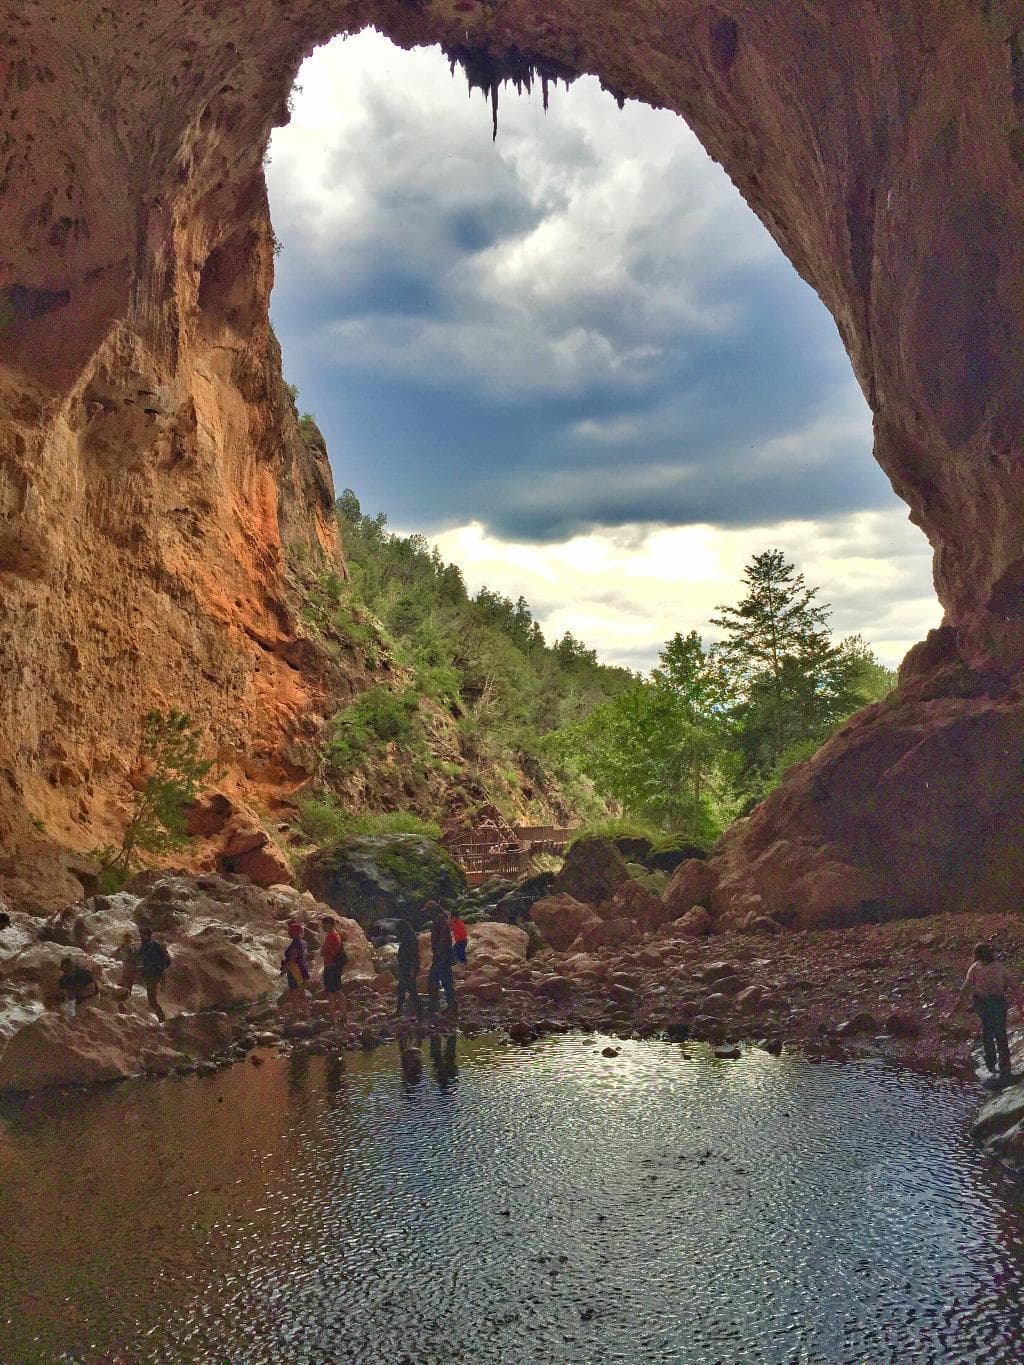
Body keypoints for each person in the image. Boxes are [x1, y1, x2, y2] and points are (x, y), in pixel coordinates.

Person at [950, 943, 1018, 1083]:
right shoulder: (999, 967)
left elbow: (966, 987)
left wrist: (959, 1003)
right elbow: (1013, 984)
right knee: (1000, 1033)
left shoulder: (975, 968)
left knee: (988, 1033)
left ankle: (991, 1065)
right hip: (998, 1003)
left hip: (984, 1004)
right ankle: (1004, 1067)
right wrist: (1020, 997)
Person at [427, 903, 457, 1017]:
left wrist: (439, 953)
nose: (427, 914)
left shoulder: (439, 920)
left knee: (434, 980)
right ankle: (451, 1006)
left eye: (428, 911)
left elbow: (443, 938)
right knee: (445, 981)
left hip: (442, 956)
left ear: (432, 910)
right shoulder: (441, 919)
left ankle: (434, 1006)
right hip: (444, 955)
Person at [138, 928, 171, 1022]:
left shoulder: (154, 946)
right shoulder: (145, 946)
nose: (141, 936)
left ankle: (162, 1018)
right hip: (150, 974)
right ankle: (161, 1018)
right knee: (151, 999)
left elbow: (166, 961)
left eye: (142, 935)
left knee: (152, 1000)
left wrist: (158, 967)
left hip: (154, 974)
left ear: (147, 935)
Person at [394, 918, 423, 1020]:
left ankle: (419, 1010)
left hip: (409, 967)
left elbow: (413, 955)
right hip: (406, 967)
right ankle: (402, 1010)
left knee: (410, 989)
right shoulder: (408, 936)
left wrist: (412, 969)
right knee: (404, 989)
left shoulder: (410, 939)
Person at [320, 915, 348, 1016]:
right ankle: (343, 1013)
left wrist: (326, 949)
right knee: (338, 991)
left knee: (331, 993)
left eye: (324, 924)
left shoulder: (332, 936)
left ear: (330, 924)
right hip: (334, 967)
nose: (323, 926)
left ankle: (333, 1016)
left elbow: (332, 952)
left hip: (331, 967)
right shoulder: (335, 935)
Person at [281, 921, 310, 1012]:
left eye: (290, 931)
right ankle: (305, 1010)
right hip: (303, 968)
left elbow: (293, 957)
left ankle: (298, 1011)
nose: (288, 932)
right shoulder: (304, 942)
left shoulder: (295, 943)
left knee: (294, 991)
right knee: (302, 991)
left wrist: (284, 969)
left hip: (295, 970)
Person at [116, 931, 137, 1001]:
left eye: (128, 939)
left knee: (128, 981)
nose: (127, 940)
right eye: (126, 939)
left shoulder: (131, 946)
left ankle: (126, 996)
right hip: (127, 965)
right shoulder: (125, 946)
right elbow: (116, 953)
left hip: (130, 965)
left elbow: (135, 956)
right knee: (126, 981)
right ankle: (125, 996)